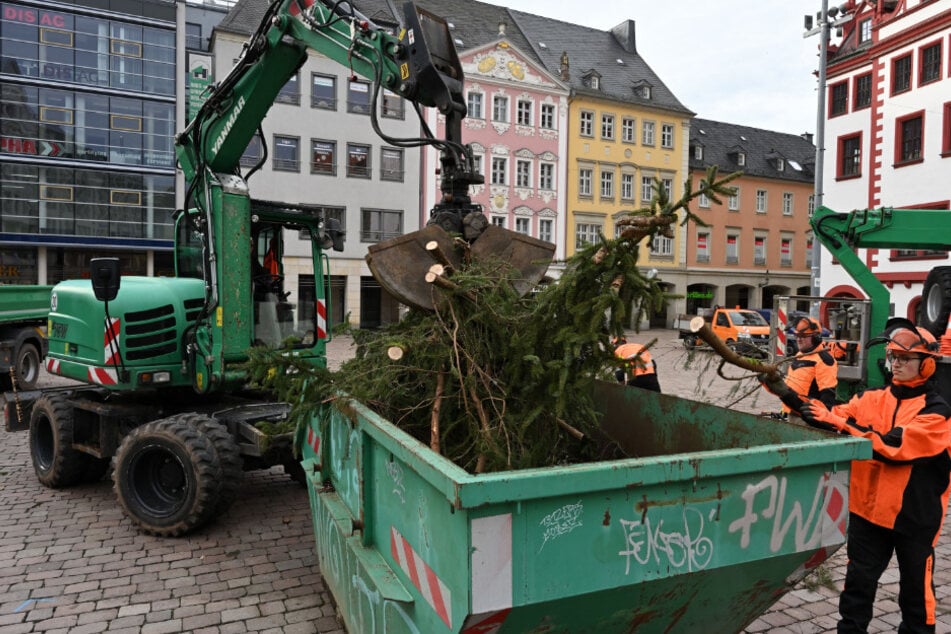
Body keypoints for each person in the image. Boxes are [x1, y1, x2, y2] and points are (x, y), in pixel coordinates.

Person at [800, 326, 951, 634]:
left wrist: (840, 423)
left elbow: (893, 446)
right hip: (866, 511)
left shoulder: (938, 413)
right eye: (893, 356)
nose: (896, 364)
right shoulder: (870, 398)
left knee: (915, 596)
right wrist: (794, 400)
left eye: (906, 358)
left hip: (914, 517)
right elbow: (833, 416)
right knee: (857, 588)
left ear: (928, 363)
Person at [763, 316, 838, 421]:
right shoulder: (799, 355)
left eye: (803, 336)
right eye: (797, 335)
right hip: (791, 413)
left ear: (816, 337)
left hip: (806, 418)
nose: (799, 339)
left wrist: (820, 421)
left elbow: (827, 398)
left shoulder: (824, 360)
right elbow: (791, 388)